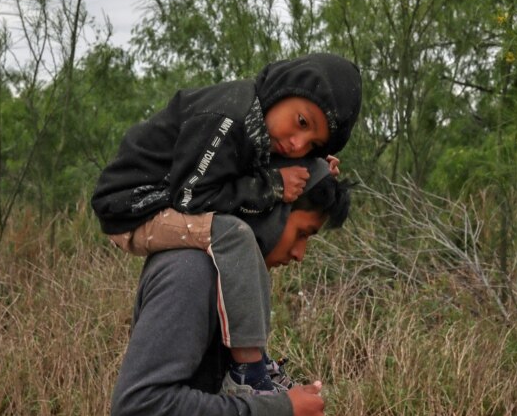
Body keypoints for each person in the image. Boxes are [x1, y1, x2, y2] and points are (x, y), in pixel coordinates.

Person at [92, 53, 361, 393]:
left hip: (171, 196)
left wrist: (316, 166)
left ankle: (254, 364)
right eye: (302, 123)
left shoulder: (261, 124)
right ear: (282, 90)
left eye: (313, 144)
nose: (297, 143)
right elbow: (190, 198)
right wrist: (273, 185)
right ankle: (249, 369)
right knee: (233, 234)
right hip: (134, 206)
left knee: (233, 234)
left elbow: (243, 165)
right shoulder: (228, 115)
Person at [110, 161, 352, 416]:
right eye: (301, 233)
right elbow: (139, 404)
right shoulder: (191, 272)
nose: (300, 254)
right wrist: (271, 415)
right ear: (269, 211)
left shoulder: (234, 274)